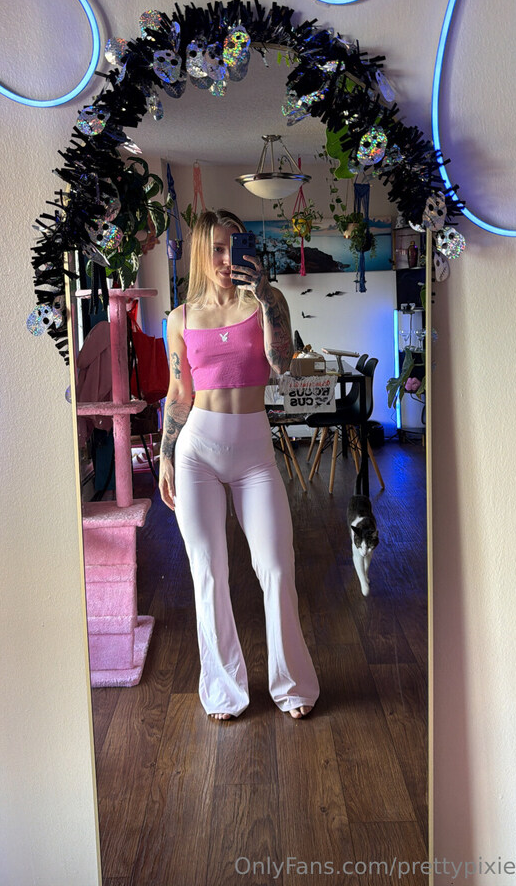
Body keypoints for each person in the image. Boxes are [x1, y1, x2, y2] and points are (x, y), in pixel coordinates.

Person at [159, 209, 320, 721]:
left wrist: (267, 294)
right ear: (201, 253)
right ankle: (224, 691)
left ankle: (292, 685)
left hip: (254, 455)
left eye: (236, 246)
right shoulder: (180, 319)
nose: (228, 259)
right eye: (218, 248)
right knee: (208, 572)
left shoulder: (267, 303)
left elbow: (282, 363)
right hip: (197, 452)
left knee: (277, 567)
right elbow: (179, 393)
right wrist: (165, 453)